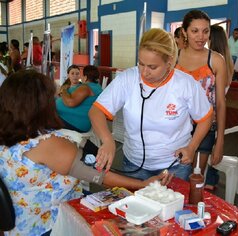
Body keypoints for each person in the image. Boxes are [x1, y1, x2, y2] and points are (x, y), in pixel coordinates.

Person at [0, 69, 171, 236]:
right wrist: (143, 184)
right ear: (42, 105)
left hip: (21, 223)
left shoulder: (7, 135)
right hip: (52, 225)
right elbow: (101, 176)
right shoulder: (48, 145)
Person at [89, 28, 213, 181]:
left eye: (152, 67)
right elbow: (96, 111)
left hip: (174, 166)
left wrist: (191, 147)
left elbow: (205, 118)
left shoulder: (185, 84)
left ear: (169, 62)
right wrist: (107, 141)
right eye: (141, 63)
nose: (144, 72)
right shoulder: (127, 79)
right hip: (134, 164)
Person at [175, 10, 226, 178]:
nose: (201, 36)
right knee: (172, 179)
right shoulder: (173, 58)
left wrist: (220, 141)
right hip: (174, 127)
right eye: (194, 31)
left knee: (195, 180)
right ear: (184, 32)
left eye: (205, 31)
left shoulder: (216, 60)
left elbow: (220, 103)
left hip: (205, 129)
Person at [204, 24, 234, 190]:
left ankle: (209, 179)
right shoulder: (227, 59)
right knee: (211, 145)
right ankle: (211, 178)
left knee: (208, 146)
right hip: (216, 108)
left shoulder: (216, 60)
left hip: (212, 109)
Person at [56, 65, 103, 133]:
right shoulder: (97, 87)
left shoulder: (86, 88)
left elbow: (70, 103)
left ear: (85, 77)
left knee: (42, 117)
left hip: (75, 123)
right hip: (75, 120)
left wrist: (63, 91)